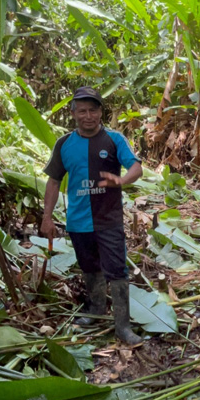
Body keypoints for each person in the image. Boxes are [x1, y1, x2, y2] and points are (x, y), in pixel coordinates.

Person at [40, 86, 144, 345]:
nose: (88, 116)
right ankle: (96, 312)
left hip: (108, 220)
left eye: (93, 110)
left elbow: (136, 167)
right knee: (89, 268)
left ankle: (123, 326)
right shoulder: (64, 144)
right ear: (73, 113)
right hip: (78, 221)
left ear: (100, 112)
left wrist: (120, 180)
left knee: (118, 271)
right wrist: (47, 217)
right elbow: (53, 182)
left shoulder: (114, 140)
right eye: (82, 111)